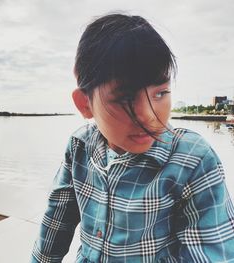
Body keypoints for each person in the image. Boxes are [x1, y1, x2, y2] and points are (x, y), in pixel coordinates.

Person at [31, 13, 234, 262]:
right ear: (85, 103)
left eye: (160, 94)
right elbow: (56, 222)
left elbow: (212, 252)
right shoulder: (79, 147)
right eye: (126, 98)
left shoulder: (192, 159)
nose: (148, 115)